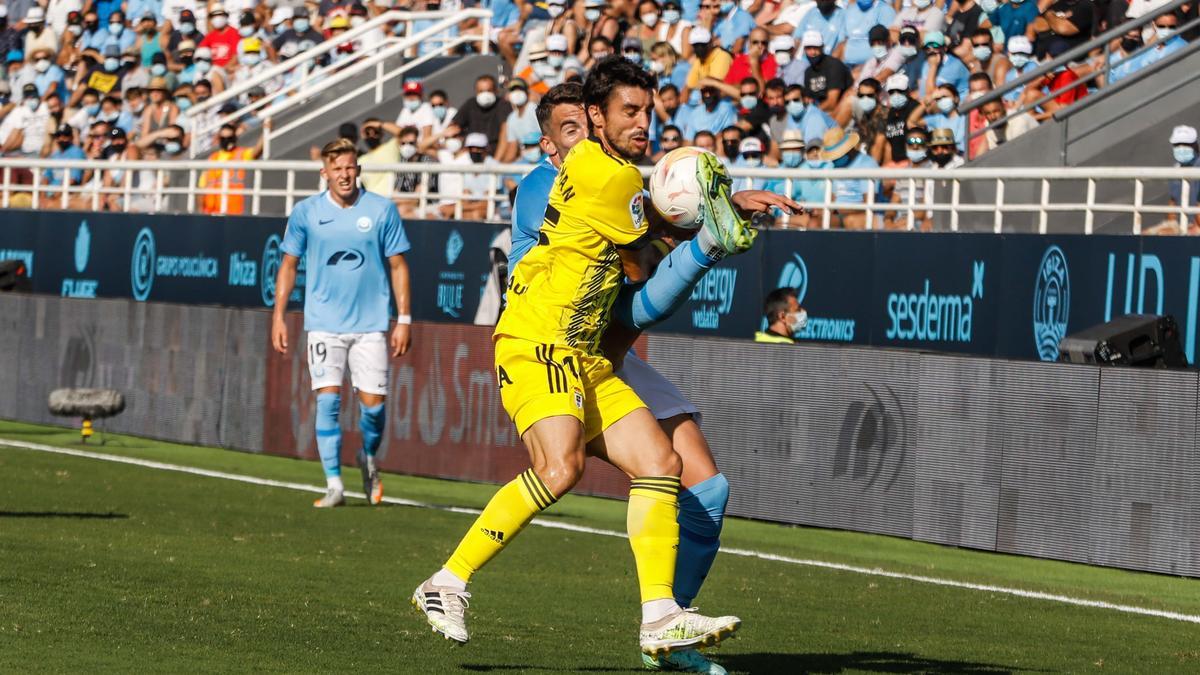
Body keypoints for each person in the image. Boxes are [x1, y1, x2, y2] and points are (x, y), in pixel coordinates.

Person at [412, 57, 752, 662]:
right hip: (538, 340)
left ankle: (659, 618)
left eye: (648, 111)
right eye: (630, 111)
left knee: (660, 461)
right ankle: (446, 583)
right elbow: (661, 236)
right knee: (560, 467)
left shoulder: (611, 170)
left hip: (582, 352)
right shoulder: (606, 176)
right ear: (596, 117)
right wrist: (717, 212)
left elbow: (660, 227)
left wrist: (716, 213)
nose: (644, 122)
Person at [271, 137, 413, 508]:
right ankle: (334, 483)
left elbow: (398, 266)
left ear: (359, 169)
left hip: (370, 325)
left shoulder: (381, 210)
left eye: (350, 167)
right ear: (325, 173)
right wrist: (279, 316)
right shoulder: (306, 212)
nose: (344, 175)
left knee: (374, 408)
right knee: (328, 401)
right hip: (323, 322)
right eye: (337, 169)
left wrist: (404, 319)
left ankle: (367, 458)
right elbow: (288, 265)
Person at [821, 126, 881, 229]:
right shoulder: (835, 166)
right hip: (840, 214)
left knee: (851, 221)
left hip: (861, 215)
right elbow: (832, 198)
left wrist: (840, 210)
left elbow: (869, 203)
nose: (834, 159)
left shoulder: (867, 164)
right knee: (815, 222)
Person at [198, 123, 263, 215]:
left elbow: (257, 152)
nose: (226, 141)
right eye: (223, 138)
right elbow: (202, 186)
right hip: (210, 211)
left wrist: (265, 132)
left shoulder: (242, 153)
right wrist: (200, 211)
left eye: (229, 138)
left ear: (235, 138)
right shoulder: (213, 158)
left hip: (233, 211)